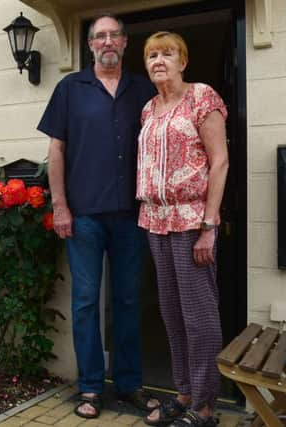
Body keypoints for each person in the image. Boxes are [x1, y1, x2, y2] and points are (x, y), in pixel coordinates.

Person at [37, 13, 158, 420]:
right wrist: (59, 205)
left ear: (125, 42)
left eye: (114, 35)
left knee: (127, 301)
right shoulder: (70, 88)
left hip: (131, 216)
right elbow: (56, 151)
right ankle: (90, 386)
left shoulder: (144, 89)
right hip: (83, 214)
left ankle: (128, 384)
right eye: (99, 36)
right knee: (87, 302)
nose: (107, 41)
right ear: (90, 45)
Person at [136, 32, 228, 427]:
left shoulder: (202, 97)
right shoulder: (148, 109)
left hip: (192, 220)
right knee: (172, 314)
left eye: (167, 54)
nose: (159, 60)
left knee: (198, 316)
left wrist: (209, 225)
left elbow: (219, 162)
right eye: (152, 55)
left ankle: (205, 407)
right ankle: (185, 393)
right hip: (154, 220)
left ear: (183, 61)